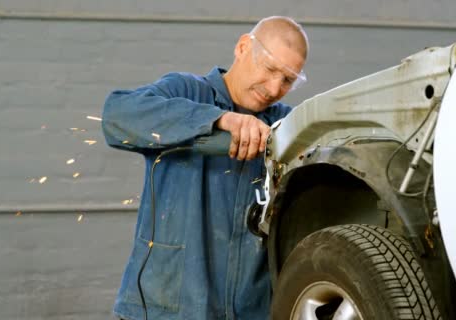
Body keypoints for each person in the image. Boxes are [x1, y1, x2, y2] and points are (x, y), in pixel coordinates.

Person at [101, 16, 309, 320]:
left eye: (288, 79)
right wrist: (219, 120)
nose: (275, 87)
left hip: (251, 312)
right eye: (270, 69)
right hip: (165, 309)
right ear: (242, 47)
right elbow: (117, 115)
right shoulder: (184, 92)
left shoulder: (285, 125)